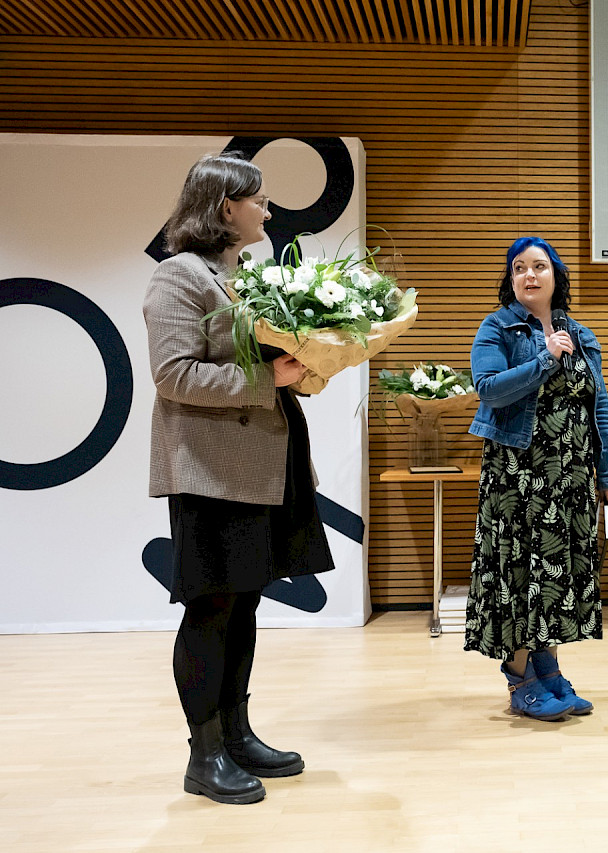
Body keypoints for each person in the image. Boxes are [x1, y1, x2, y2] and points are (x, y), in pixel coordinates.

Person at [143, 152, 335, 804]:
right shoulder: (178, 275)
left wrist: (306, 363)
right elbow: (174, 375)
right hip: (211, 472)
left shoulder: (237, 277)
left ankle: (236, 733)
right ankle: (204, 754)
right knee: (213, 607)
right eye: (259, 200)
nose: (268, 212)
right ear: (226, 206)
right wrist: (268, 376)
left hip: (260, 466)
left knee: (245, 602)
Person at [464, 236, 608, 721]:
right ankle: (519, 676)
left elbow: (598, 408)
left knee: (554, 574)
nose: (529, 275)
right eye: (518, 268)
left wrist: (606, 472)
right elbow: (489, 390)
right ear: (511, 280)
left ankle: (548, 669)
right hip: (516, 477)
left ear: (556, 276)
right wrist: (545, 359)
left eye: (538, 266)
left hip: (569, 478)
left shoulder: (582, 335)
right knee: (518, 574)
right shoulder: (497, 327)